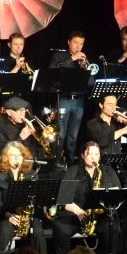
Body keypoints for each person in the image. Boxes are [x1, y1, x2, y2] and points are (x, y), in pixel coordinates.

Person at [52, 141, 121, 254]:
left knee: (112, 227)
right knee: (59, 227)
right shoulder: (72, 171)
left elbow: (117, 195)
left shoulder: (108, 172)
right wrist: (76, 210)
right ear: (83, 155)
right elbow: (63, 198)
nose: (93, 157)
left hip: (101, 216)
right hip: (77, 215)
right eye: (90, 154)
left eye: (97, 154)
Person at [0, 141, 47, 254]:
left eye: (19, 155)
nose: (16, 158)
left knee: (38, 231)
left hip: (29, 215)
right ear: (6, 158)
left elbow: (39, 200)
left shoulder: (32, 175)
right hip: (9, 215)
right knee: (4, 231)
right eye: (12, 156)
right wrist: (9, 216)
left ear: (24, 157)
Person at [49, 30, 91, 162]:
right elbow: (53, 71)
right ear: (69, 42)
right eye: (76, 43)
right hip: (63, 100)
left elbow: (91, 82)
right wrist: (71, 59)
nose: (78, 47)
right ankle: (56, 162)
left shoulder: (83, 61)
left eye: (81, 44)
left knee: (73, 136)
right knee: (60, 135)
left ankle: (71, 162)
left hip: (79, 102)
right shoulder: (59, 56)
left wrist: (87, 69)